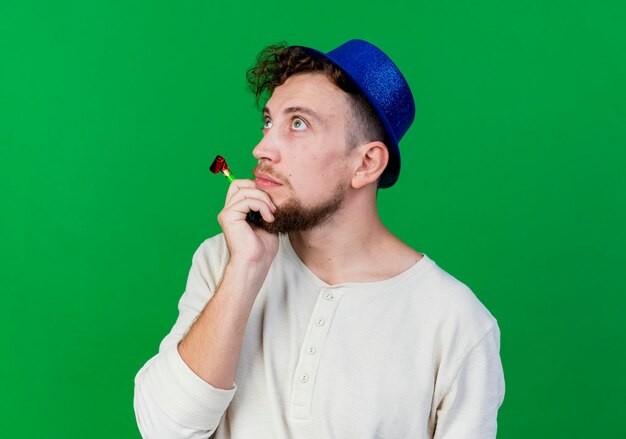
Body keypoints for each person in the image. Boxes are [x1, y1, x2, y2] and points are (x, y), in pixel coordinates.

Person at [133, 39, 505, 439]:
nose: (262, 148)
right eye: (268, 121)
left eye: (298, 124)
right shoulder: (225, 259)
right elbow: (165, 430)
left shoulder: (457, 323)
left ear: (365, 164)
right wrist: (245, 271)